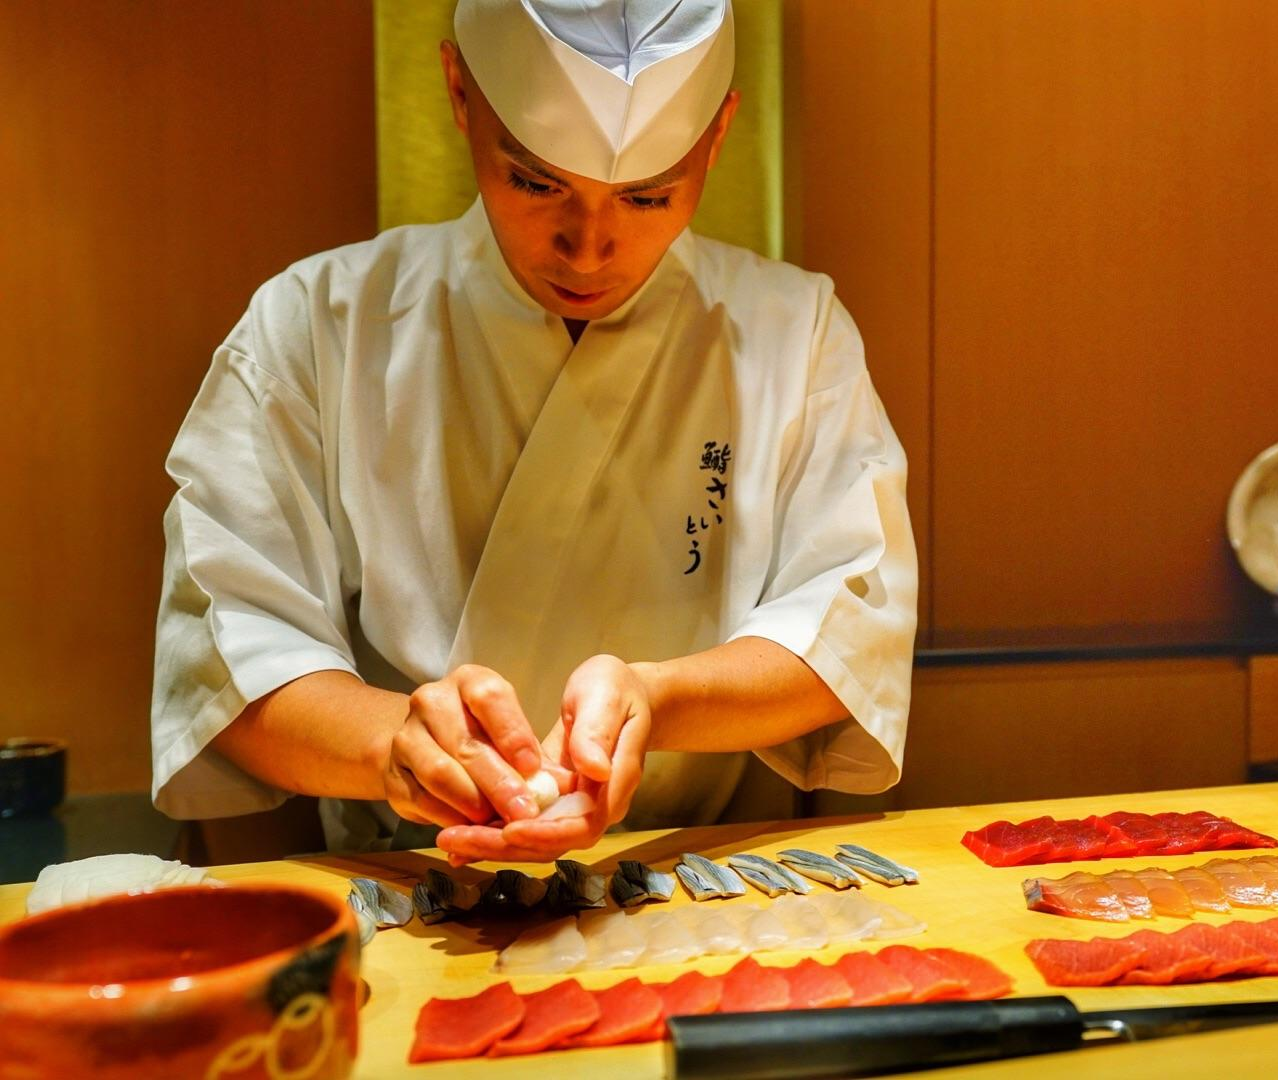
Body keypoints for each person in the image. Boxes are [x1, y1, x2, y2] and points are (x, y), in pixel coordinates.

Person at [149, 0, 917, 863]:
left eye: (649, 196)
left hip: (694, 873)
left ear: (718, 135)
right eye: (536, 183)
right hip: (408, 880)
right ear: (459, 92)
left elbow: (851, 621)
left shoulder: (795, 331)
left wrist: (659, 700)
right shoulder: (317, 325)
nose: (588, 249)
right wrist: (396, 744)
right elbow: (229, 647)